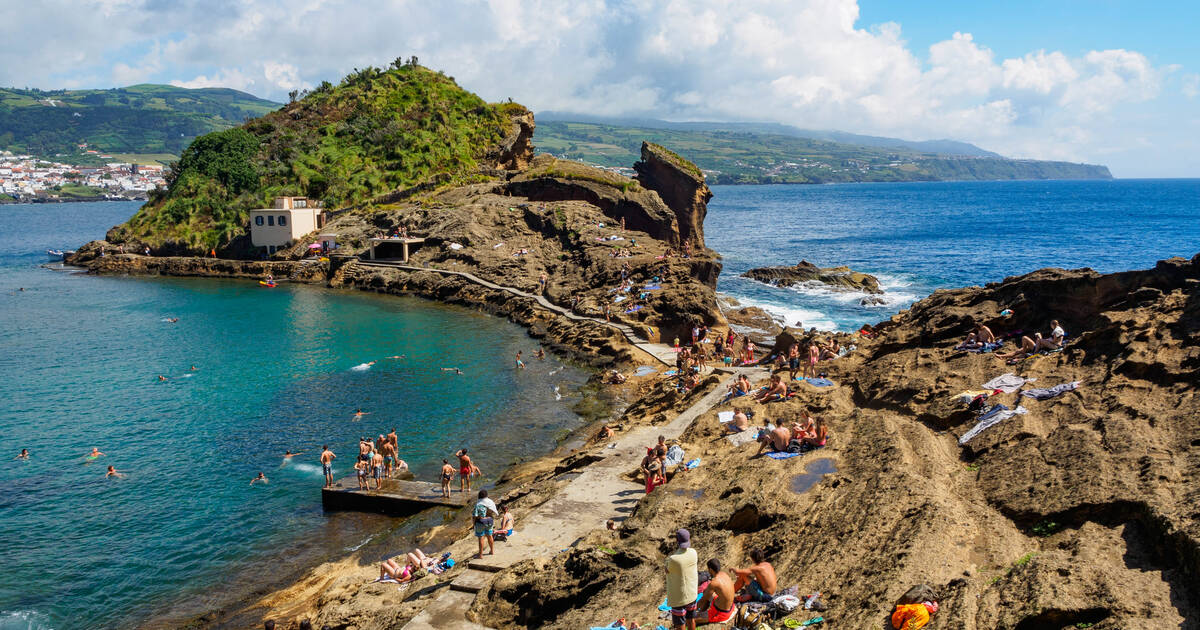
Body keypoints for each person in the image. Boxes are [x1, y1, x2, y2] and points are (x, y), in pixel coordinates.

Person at [665, 529, 699, 630]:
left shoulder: (673, 559)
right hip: (692, 593)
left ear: (677, 540)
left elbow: (667, 570)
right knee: (691, 618)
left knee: (680, 623)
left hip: (679, 597)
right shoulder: (693, 552)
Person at [696, 558, 736, 625]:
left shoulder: (714, 582)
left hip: (722, 613)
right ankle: (702, 611)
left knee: (690, 618)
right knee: (706, 591)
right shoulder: (724, 574)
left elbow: (703, 600)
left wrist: (691, 610)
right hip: (730, 607)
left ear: (711, 570)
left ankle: (702, 613)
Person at [473, 489, 499, 559]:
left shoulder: (478, 505)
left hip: (481, 522)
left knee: (481, 538)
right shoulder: (490, 502)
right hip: (490, 521)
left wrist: (474, 524)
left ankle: (480, 555)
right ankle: (492, 551)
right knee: (490, 536)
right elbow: (494, 511)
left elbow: (475, 516)